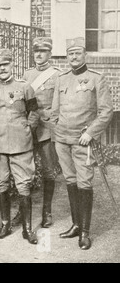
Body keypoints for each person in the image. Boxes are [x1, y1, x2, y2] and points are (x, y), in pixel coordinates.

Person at [51, 37, 113, 250]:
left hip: (82, 141)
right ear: (66, 56)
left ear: (85, 54)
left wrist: (92, 133)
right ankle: (76, 225)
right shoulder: (62, 78)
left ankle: (85, 233)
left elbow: (106, 111)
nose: (74, 57)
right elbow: (54, 110)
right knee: (70, 181)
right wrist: (56, 129)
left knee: (84, 183)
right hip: (62, 139)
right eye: (70, 53)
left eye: (78, 53)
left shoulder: (97, 78)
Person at [0, 49, 40, 245]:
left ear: (12, 65)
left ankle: (27, 229)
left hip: (21, 144)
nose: (2, 68)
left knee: (23, 185)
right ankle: (5, 224)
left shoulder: (25, 87)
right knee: (1, 184)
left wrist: (27, 129)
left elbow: (34, 112)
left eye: (5, 64)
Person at [11, 37, 61, 229]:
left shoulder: (57, 75)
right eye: (36, 52)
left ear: (50, 53)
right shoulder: (27, 74)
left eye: (43, 51)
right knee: (23, 171)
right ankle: (22, 212)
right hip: (29, 128)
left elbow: (58, 105)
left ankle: (46, 212)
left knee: (49, 171)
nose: (39, 55)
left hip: (47, 129)